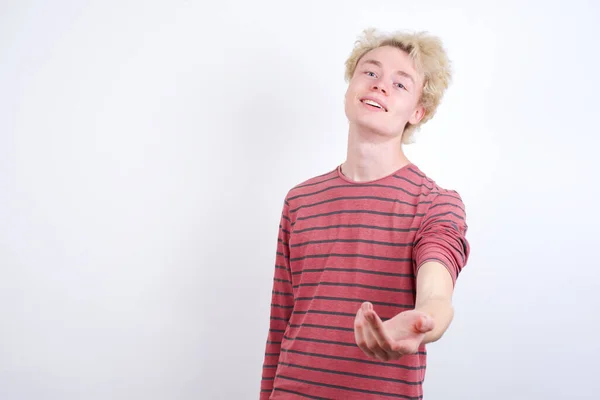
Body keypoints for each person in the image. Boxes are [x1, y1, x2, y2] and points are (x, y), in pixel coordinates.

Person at [259, 28, 471, 399]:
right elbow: (281, 324)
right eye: (370, 72)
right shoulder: (300, 200)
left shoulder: (435, 203)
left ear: (417, 112)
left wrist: (425, 322)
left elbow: (437, 293)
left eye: (400, 84)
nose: (380, 85)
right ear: (350, 87)